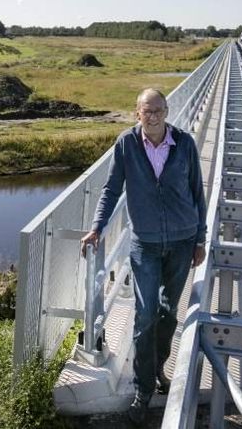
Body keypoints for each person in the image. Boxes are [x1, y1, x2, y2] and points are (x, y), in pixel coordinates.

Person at [80, 88, 207, 425]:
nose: (153, 116)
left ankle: (159, 369)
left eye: (159, 110)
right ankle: (142, 390)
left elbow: (197, 192)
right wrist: (97, 228)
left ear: (167, 111)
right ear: (137, 113)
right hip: (146, 245)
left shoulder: (185, 144)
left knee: (168, 313)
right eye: (146, 111)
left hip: (182, 241)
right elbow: (111, 189)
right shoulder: (126, 144)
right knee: (145, 315)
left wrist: (200, 239)